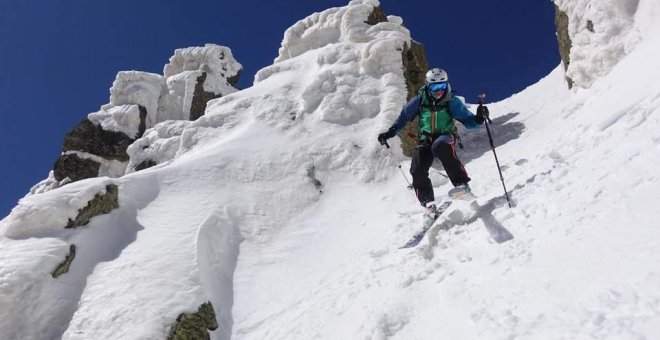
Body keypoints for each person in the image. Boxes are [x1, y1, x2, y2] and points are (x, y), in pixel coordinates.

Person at [378, 68, 489, 211]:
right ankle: (428, 203)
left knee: (440, 146)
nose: (439, 91)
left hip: (445, 135)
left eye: (442, 86)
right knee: (417, 168)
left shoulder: (451, 101)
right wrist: (390, 132)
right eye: (434, 87)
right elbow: (404, 117)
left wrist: (479, 119)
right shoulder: (420, 100)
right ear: (427, 85)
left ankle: (461, 185)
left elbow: (468, 121)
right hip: (425, 139)